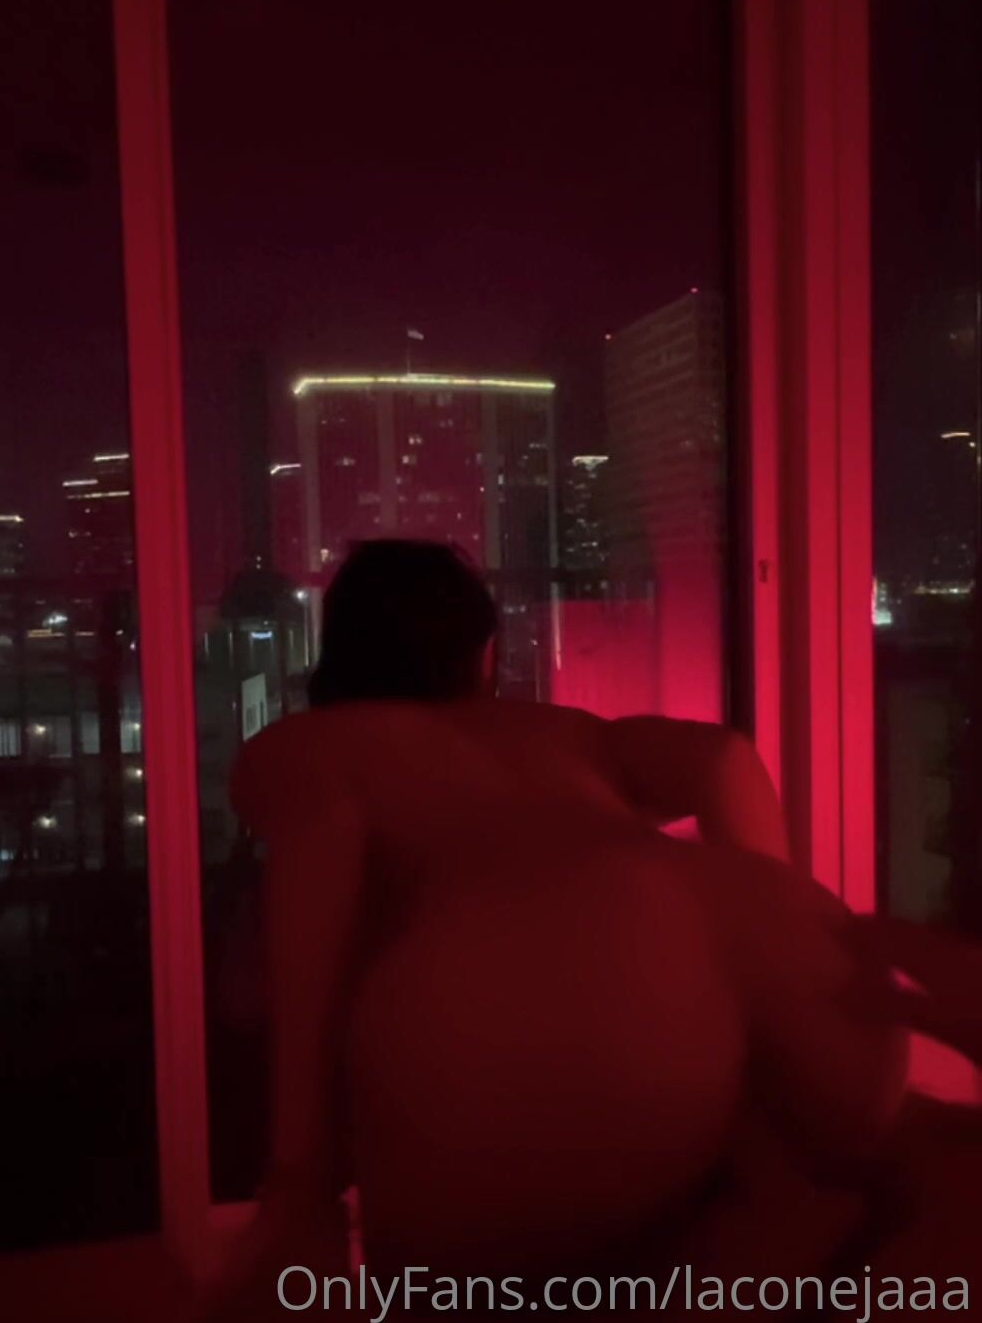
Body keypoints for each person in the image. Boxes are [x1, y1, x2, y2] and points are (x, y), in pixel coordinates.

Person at [203, 540, 906, 1317]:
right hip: (774, 930)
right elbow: (724, 758)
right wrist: (768, 920)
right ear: (483, 653)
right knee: (766, 1233)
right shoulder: (569, 731)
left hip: (543, 959)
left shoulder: (305, 747)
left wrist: (300, 1182)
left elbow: (315, 890)